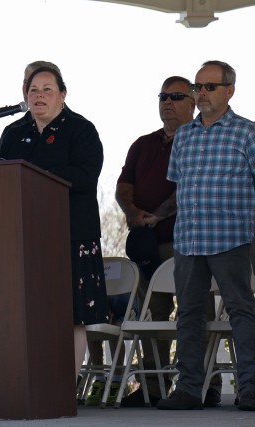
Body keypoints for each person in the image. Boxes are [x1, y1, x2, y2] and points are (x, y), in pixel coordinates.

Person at [0, 65, 109, 384]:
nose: (39, 96)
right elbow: (3, 180)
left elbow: (86, 177)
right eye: (33, 90)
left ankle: (65, 386)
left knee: (74, 315)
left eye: (48, 89)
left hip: (73, 235)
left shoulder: (82, 130)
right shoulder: (13, 134)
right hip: (26, 237)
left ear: (63, 94)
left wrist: (37, 175)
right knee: (31, 314)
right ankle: (32, 383)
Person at [115, 76, 221, 408]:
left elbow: (191, 185)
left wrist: (157, 215)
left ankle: (206, 383)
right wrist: (132, 211)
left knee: (196, 312)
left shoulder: (200, 139)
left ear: (193, 103)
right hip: (149, 246)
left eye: (176, 96)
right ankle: (153, 387)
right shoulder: (142, 144)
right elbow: (123, 184)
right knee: (152, 316)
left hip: (190, 242)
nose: (167, 102)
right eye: (163, 95)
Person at [157, 60, 255, 411]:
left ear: (230, 90)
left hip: (232, 237)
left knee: (242, 312)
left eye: (209, 87)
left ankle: (251, 390)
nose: (201, 93)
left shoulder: (248, 133)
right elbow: (180, 186)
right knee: (189, 314)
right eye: (198, 87)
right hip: (189, 240)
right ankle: (188, 390)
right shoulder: (183, 135)